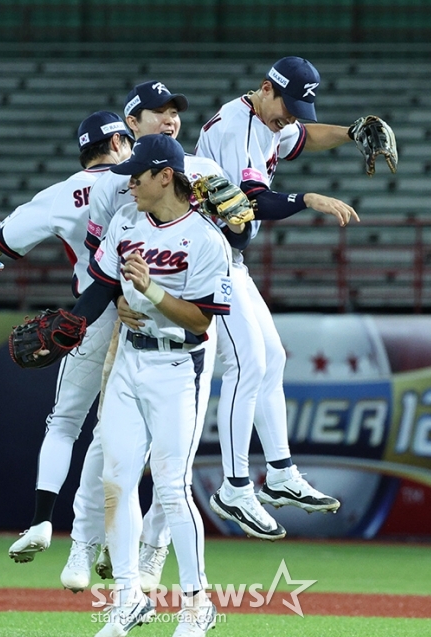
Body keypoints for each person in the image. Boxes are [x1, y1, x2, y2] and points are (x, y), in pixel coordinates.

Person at [62, 80, 251, 593]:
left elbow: (207, 306)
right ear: (132, 124)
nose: (169, 118)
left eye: (174, 111)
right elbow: (102, 278)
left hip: (181, 357)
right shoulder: (122, 203)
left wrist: (148, 293)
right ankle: (106, 568)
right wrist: (75, 324)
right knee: (113, 464)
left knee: (172, 480)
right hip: (128, 347)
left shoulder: (204, 192)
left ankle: (170, 575)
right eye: (156, 111)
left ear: (164, 175)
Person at [0, 111, 133, 584]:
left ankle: (40, 519)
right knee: (121, 434)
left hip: (90, 314)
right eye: (128, 140)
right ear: (117, 142)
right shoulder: (143, 180)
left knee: (64, 424)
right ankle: (110, 540)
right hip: (146, 315)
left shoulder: (61, 194)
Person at [195, 56, 363, 535]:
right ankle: (232, 487)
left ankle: (282, 473)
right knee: (246, 365)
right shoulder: (237, 125)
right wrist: (309, 199)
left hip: (231, 259)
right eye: (286, 106)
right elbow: (253, 202)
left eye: (296, 109)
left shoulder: (270, 121)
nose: (289, 117)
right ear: (266, 88)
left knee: (271, 357)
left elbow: (305, 139)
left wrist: (351, 132)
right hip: (207, 258)